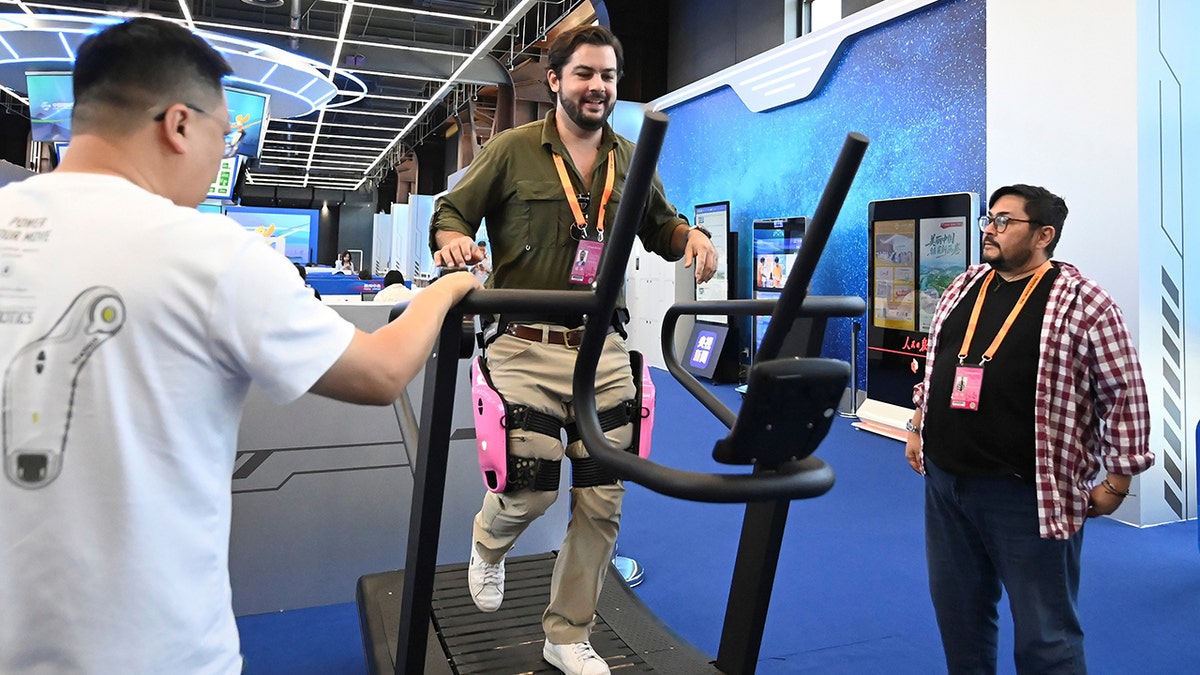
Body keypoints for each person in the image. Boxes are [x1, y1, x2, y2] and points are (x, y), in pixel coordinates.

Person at [0, 18, 479, 674]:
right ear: (178, 124)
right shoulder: (208, 253)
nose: (227, 155)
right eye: (225, 136)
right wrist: (446, 289)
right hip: (156, 651)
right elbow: (380, 371)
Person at [429, 24, 717, 675]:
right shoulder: (511, 150)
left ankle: (566, 633)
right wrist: (452, 242)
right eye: (584, 73)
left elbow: (661, 226)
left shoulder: (631, 155)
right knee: (529, 488)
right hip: (525, 347)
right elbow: (452, 209)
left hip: (604, 350)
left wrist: (690, 237)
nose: (598, 86)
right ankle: (488, 543)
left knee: (601, 495)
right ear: (555, 80)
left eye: (608, 76)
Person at [904, 184, 1153, 674]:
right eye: (988, 220)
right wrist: (918, 424)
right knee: (959, 616)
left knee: (1046, 632)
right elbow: (938, 365)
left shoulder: (1085, 302)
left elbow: (1124, 391)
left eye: (1003, 221)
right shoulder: (965, 286)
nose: (989, 231)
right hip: (947, 483)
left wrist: (1119, 478)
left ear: (1044, 234)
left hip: (1027, 492)